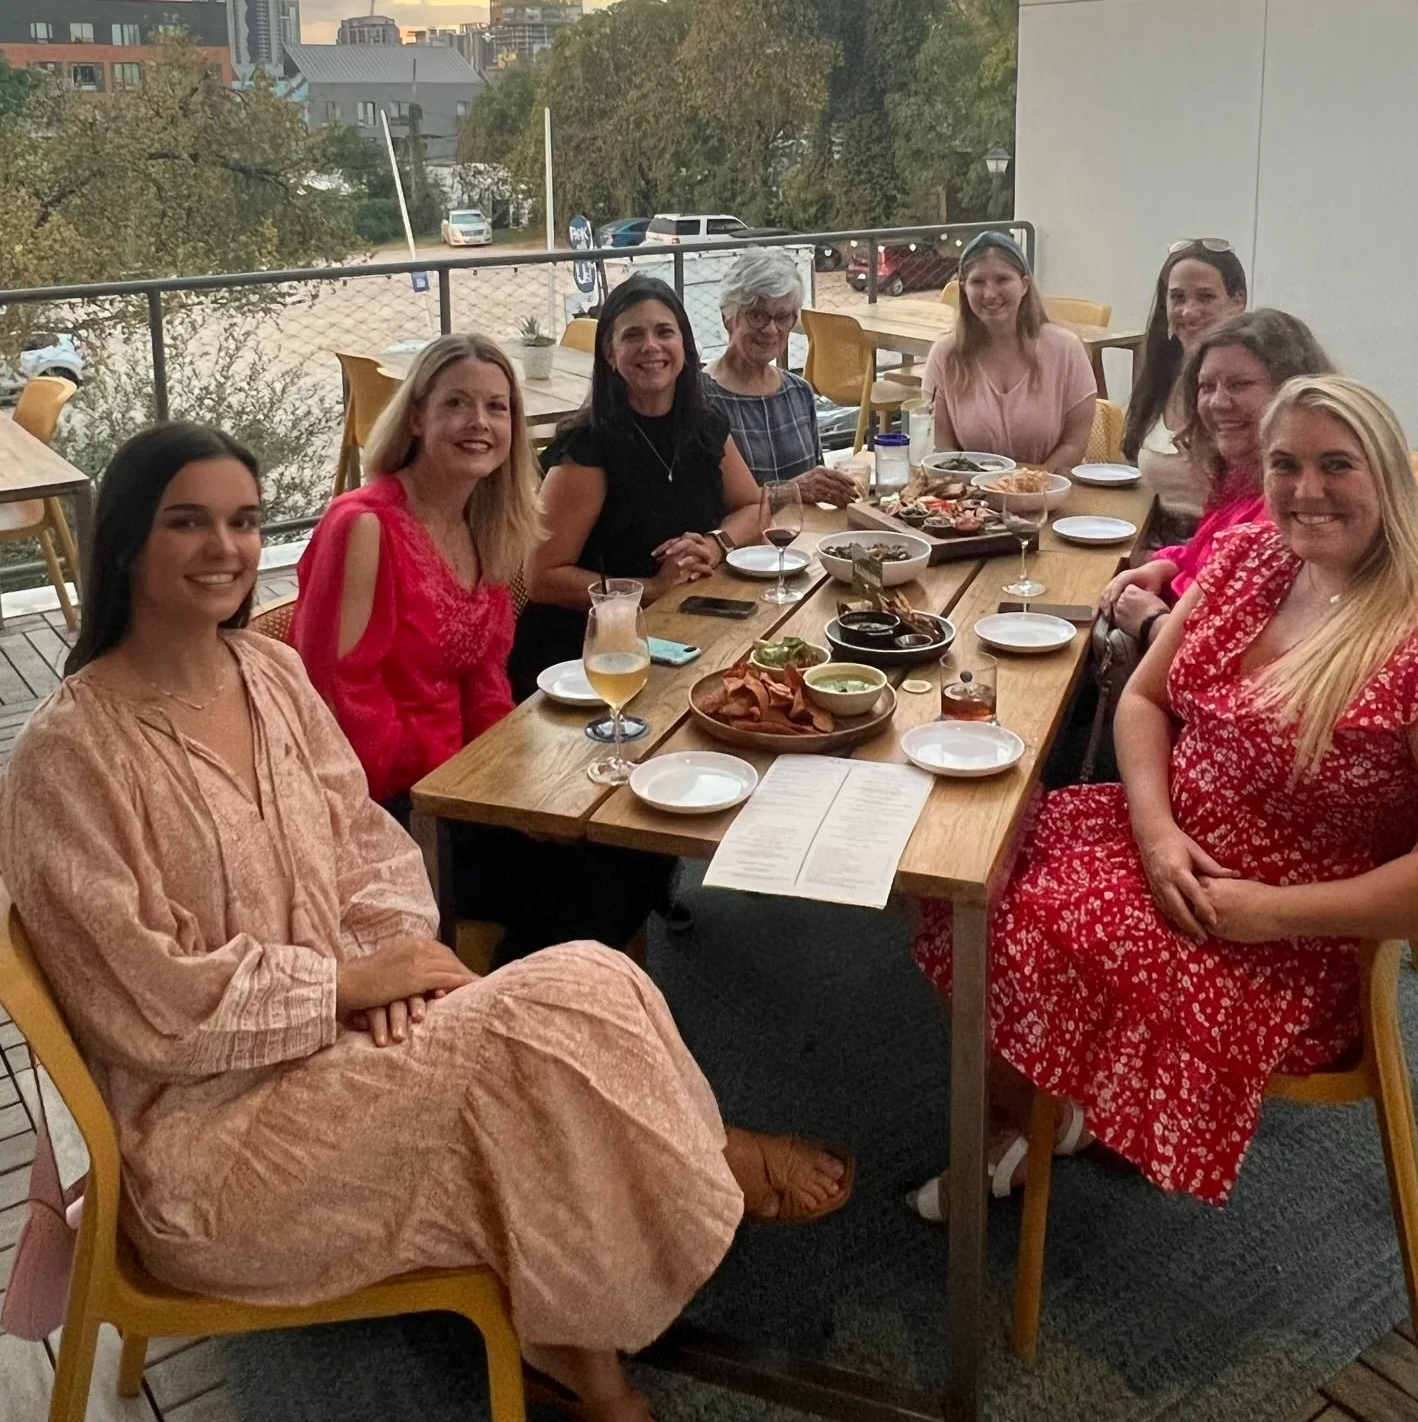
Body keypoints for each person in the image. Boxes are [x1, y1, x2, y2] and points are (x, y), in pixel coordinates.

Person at [0, 425, 851, 1422]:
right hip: (211, 1142)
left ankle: (580, 1328)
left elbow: (363, 843)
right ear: (127, 544)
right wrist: (345, 987)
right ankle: (690, 1186)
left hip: (342, 1047)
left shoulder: (267, 678)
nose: (225, 547)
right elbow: (139, 997)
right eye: (187, 521)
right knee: (551, 1013)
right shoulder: (70, 755)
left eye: (239, 519)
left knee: (586, 982)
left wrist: (392, 964)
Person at [908, 375, 1418, 1218]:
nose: (1306, 490)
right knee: (970, 864)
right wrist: (1158, 830)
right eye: (1286, 464)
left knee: (1021, 923)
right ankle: (1042, 1107)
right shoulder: (1251, 562)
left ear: (1388, 476)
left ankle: (1020, 1120)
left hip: (1288, 929)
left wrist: (1266, 910)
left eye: (1336, 464)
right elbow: (1143, 699)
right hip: (1166, 842)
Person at [292, 332, 539, 810]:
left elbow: (485, 678)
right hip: (382, 797)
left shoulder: (484, 525)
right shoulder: (364, 526)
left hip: (461, 782)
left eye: (497, 406)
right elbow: (341, 702)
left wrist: (507, 773)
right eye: (456, 404)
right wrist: (458, 785)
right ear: (416, 418)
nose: (479, 422)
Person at [514, 277, 764, 695]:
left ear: (684, 345)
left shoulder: (703, 426)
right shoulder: (588, 447)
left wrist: (715, 543)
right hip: (580, 660)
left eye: (664, 332)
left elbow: (755, 507)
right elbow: (542, 577)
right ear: (610, 354)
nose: (651, 346)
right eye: (633, 335)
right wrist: (650, 590)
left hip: (676, 634)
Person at [1101, 309, 1331, 652]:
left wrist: (1152, 622)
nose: (1218, 402)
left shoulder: (1295, 511)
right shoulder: (1240, 473)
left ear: (1292, 389)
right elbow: (1208, 558)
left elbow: (1240, 659)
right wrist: (1167, 565)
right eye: (1206, 386)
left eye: (1239, 385)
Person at [921, 231, 1097, 469]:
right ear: (963, 288)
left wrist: (1031, 484)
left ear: (1024, 285)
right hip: (972, 497)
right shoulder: (945, 355)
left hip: (1051, 493)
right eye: (978, 282)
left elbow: (1075, 442)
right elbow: (943, 447)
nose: (990, 294)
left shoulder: (1066, 350)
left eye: (1002, 280)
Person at [705, 249, 857, 506]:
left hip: (804, 538)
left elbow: (817, 487)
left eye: (783, 317)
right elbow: (709, 502)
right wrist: (793, 490)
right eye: (756, 315)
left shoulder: (799, 392)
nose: (771, 329)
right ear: (727, 318)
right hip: (738, 545)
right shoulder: (702, 398)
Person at [1122, 239, 1249, 525]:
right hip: (1150, 543)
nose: (1189, 311)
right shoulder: (1162, 375)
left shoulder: (1253, 384)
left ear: (1238, 300)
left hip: (1218, 552)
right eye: (1178, 297)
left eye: (1205, 297)